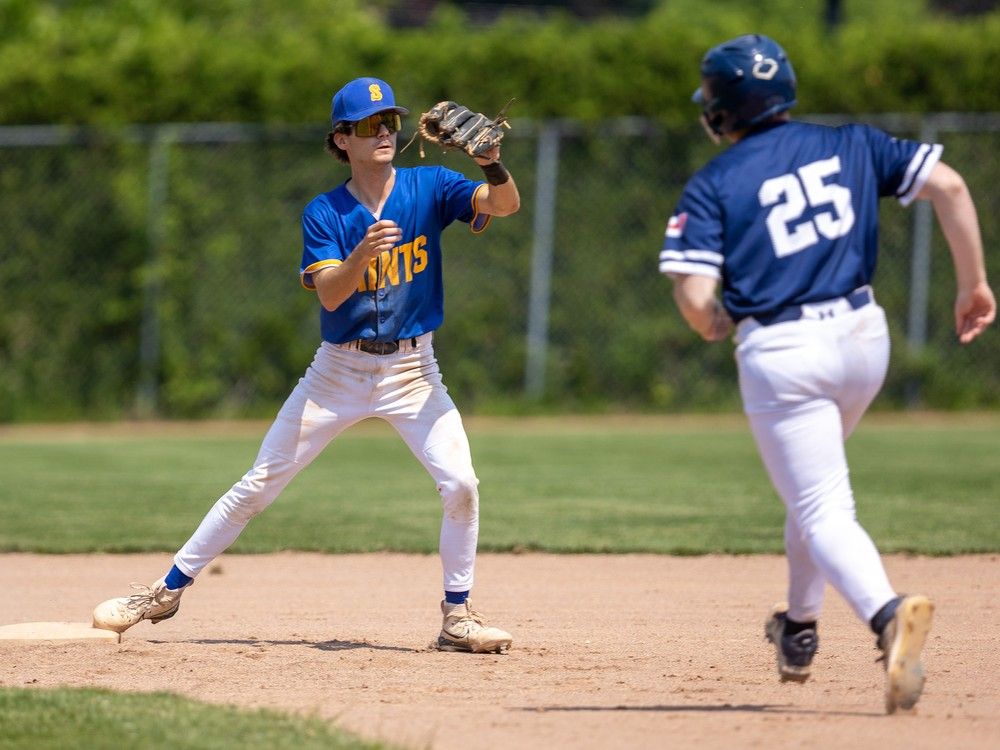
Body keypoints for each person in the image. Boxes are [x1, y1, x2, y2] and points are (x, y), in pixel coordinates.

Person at [100, 77, 521, 653]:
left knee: (462, 484)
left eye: (390, 122)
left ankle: (457, 617)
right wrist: (361, 256)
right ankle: (163, 591)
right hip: (338, 374)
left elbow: (504, 205)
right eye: (369, 125)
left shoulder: (431, 185)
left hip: (415, 373)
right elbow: (329, 294)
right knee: (258, 486)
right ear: (341, 139)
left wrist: (493, 166)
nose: (384, 132)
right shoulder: (325, 212)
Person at [659, 34, 995, 712]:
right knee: (813, 486)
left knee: (820, 505)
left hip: (785, 354)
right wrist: (974, 284)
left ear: (723, 111)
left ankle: (886, 616)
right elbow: (951, 185)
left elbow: (696, 300)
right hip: (863, 338)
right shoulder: (852, 143)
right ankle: (801, 627)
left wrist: (716, 325)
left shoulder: (717, 181)